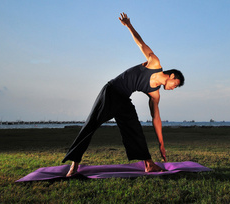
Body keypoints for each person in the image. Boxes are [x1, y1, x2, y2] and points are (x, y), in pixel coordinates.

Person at [62, 12, 185, 177]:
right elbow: (140, 43)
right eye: (175, 85)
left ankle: (149, 165)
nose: (173, 88)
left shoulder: (155, 94)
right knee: (92, 124)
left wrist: (161, 143)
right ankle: (74, 166)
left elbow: (156, 118)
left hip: (123, 99)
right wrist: (128, 25)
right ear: (171, 76)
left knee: (134, 127)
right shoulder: (155, 63)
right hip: (111, 91)